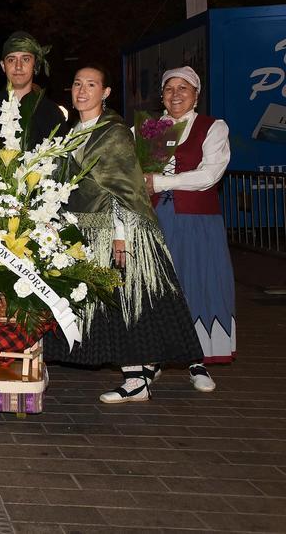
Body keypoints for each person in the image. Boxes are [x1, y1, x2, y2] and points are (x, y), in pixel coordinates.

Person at [43, 66, 203, 403]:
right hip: (84, 231)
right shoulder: (72, 132)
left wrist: (122, 234)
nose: (82, 91)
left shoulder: (113, 132)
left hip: (114, 230)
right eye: (76, 83)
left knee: (129, 303)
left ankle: (137, 380)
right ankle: (135, 378)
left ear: (105, 93)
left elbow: (126, 187)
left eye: (91, 84)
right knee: (106, 309)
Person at [143, 66, 232, 392]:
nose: (176, 94)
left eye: (184, 88)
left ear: (196, 94)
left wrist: (160, 181)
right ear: (162, 95)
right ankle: (152, 358)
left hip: (196, 221)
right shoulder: (149, 130)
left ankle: (198, 361)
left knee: (196, 282)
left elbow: (209, 174)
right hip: (155, 219)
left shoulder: (213, 128)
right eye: (169, 88)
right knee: (155, 287)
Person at [0, 31, 66, 177]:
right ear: (3, 66)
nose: (18, 66)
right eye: (11, 60)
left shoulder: (52, 113)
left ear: (35, 65)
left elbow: (60, 170)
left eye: (26, 59)